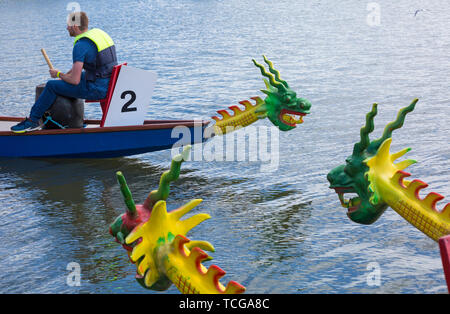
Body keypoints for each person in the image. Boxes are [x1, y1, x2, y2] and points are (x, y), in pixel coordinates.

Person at [11, 11, 118, 133]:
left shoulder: (80, 45)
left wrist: (58, 74)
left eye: (68, 25)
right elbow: (82, 67)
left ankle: (32, 121)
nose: (67, 28)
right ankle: (74, 120)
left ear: (75, 26)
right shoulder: (98, 34)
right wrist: (64, 76)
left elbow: (74, 80)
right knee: (66, 81)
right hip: (110, 84)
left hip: (98, 89)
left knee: (51, 86)